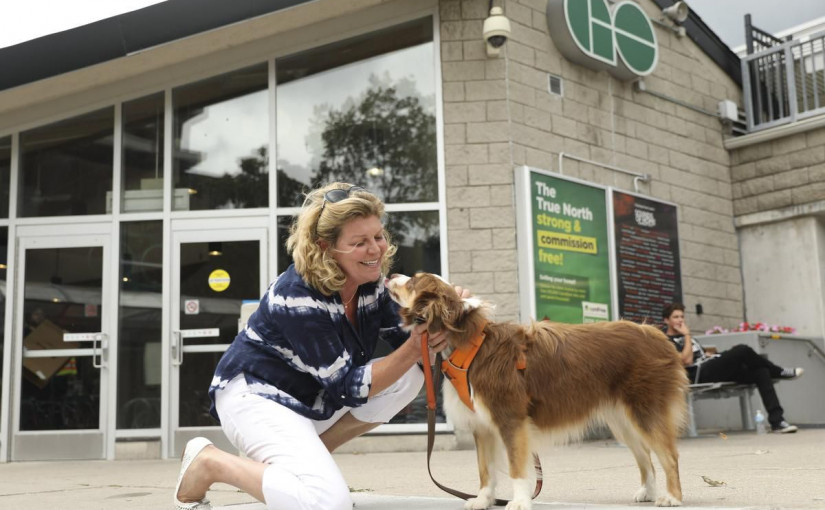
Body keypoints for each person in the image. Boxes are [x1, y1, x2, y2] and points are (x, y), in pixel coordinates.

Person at [173, 183, 466, 510]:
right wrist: (414, 349)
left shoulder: (370, 286)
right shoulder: (298, 295)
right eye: (360, 243)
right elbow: (348, 387)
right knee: (328, 504)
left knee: (408, 376)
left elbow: (415, 349)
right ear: (327, 248)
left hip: (313, 396)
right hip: (257, 396)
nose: (376, 250)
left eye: (378, 237)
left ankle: (306, 464)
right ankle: (210, 462)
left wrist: (449, 321)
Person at [662, 303, 804, 434]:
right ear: (666, 320)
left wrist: (711, 354)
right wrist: (687, 334)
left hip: (711, 367)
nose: (680, 320)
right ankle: (779, 371)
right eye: (676, 317)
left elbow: (700, 354)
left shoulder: (689, 339)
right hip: (698, 375)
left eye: (682, 316)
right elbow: (686, 360)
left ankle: (778, 422)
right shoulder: (665, 340)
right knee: (742, 350)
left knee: (761, 371)